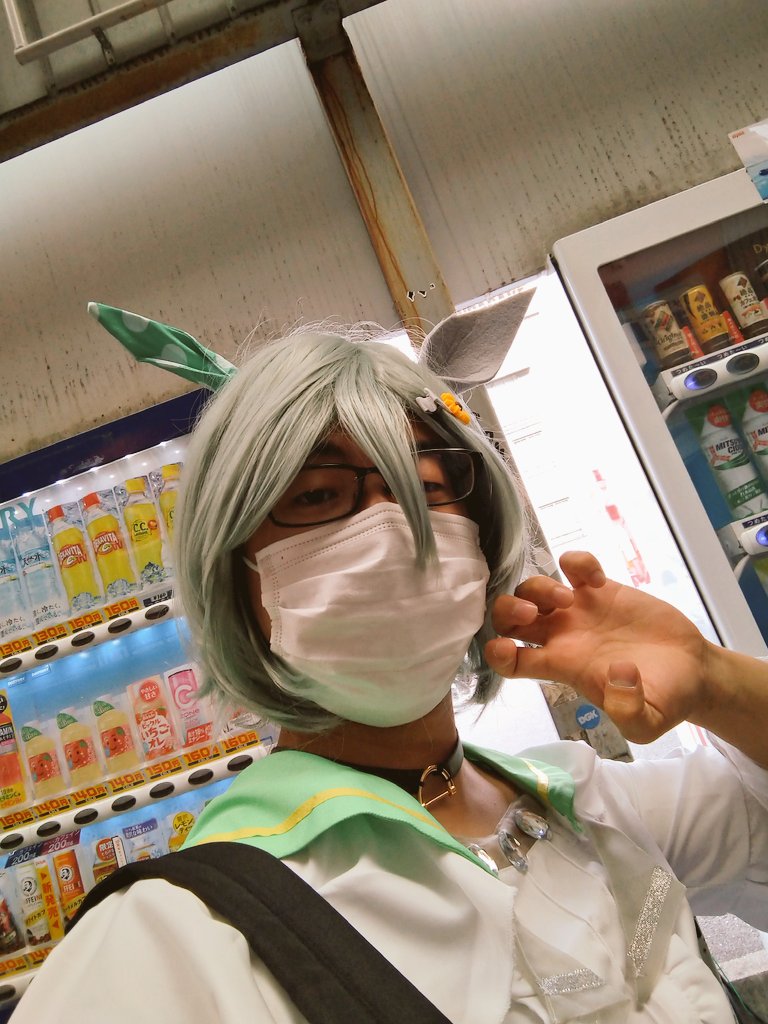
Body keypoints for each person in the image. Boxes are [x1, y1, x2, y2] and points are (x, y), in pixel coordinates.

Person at [13, 329, 768, 1023]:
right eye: (317, 495)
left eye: (428, 488)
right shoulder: (172, 941)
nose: (392, 529)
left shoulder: (587, 802)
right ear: (234, 578)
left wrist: (713, 680)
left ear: (483, 542)